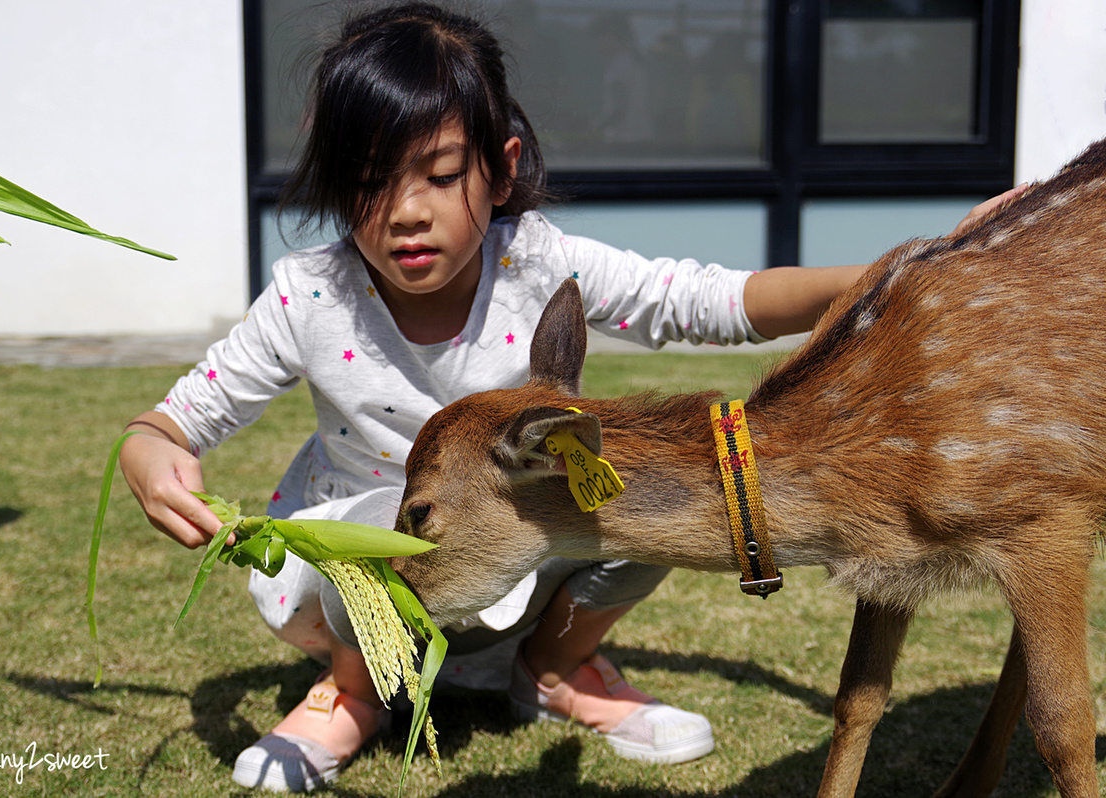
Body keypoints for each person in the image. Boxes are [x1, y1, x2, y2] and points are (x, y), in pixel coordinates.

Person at [118, 3, 1022, 793]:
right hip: (378, 580)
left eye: (438, 175)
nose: (404, 212)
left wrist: (915, 268)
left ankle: (555, 669)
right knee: (365, 527)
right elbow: (178, 419)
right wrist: (152, 449)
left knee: (642, 488)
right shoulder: (308, 298)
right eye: (370, 182)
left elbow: (709, 300)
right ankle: (356, 691)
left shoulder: (537, 260)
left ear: (500, 169)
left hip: (520, 552)